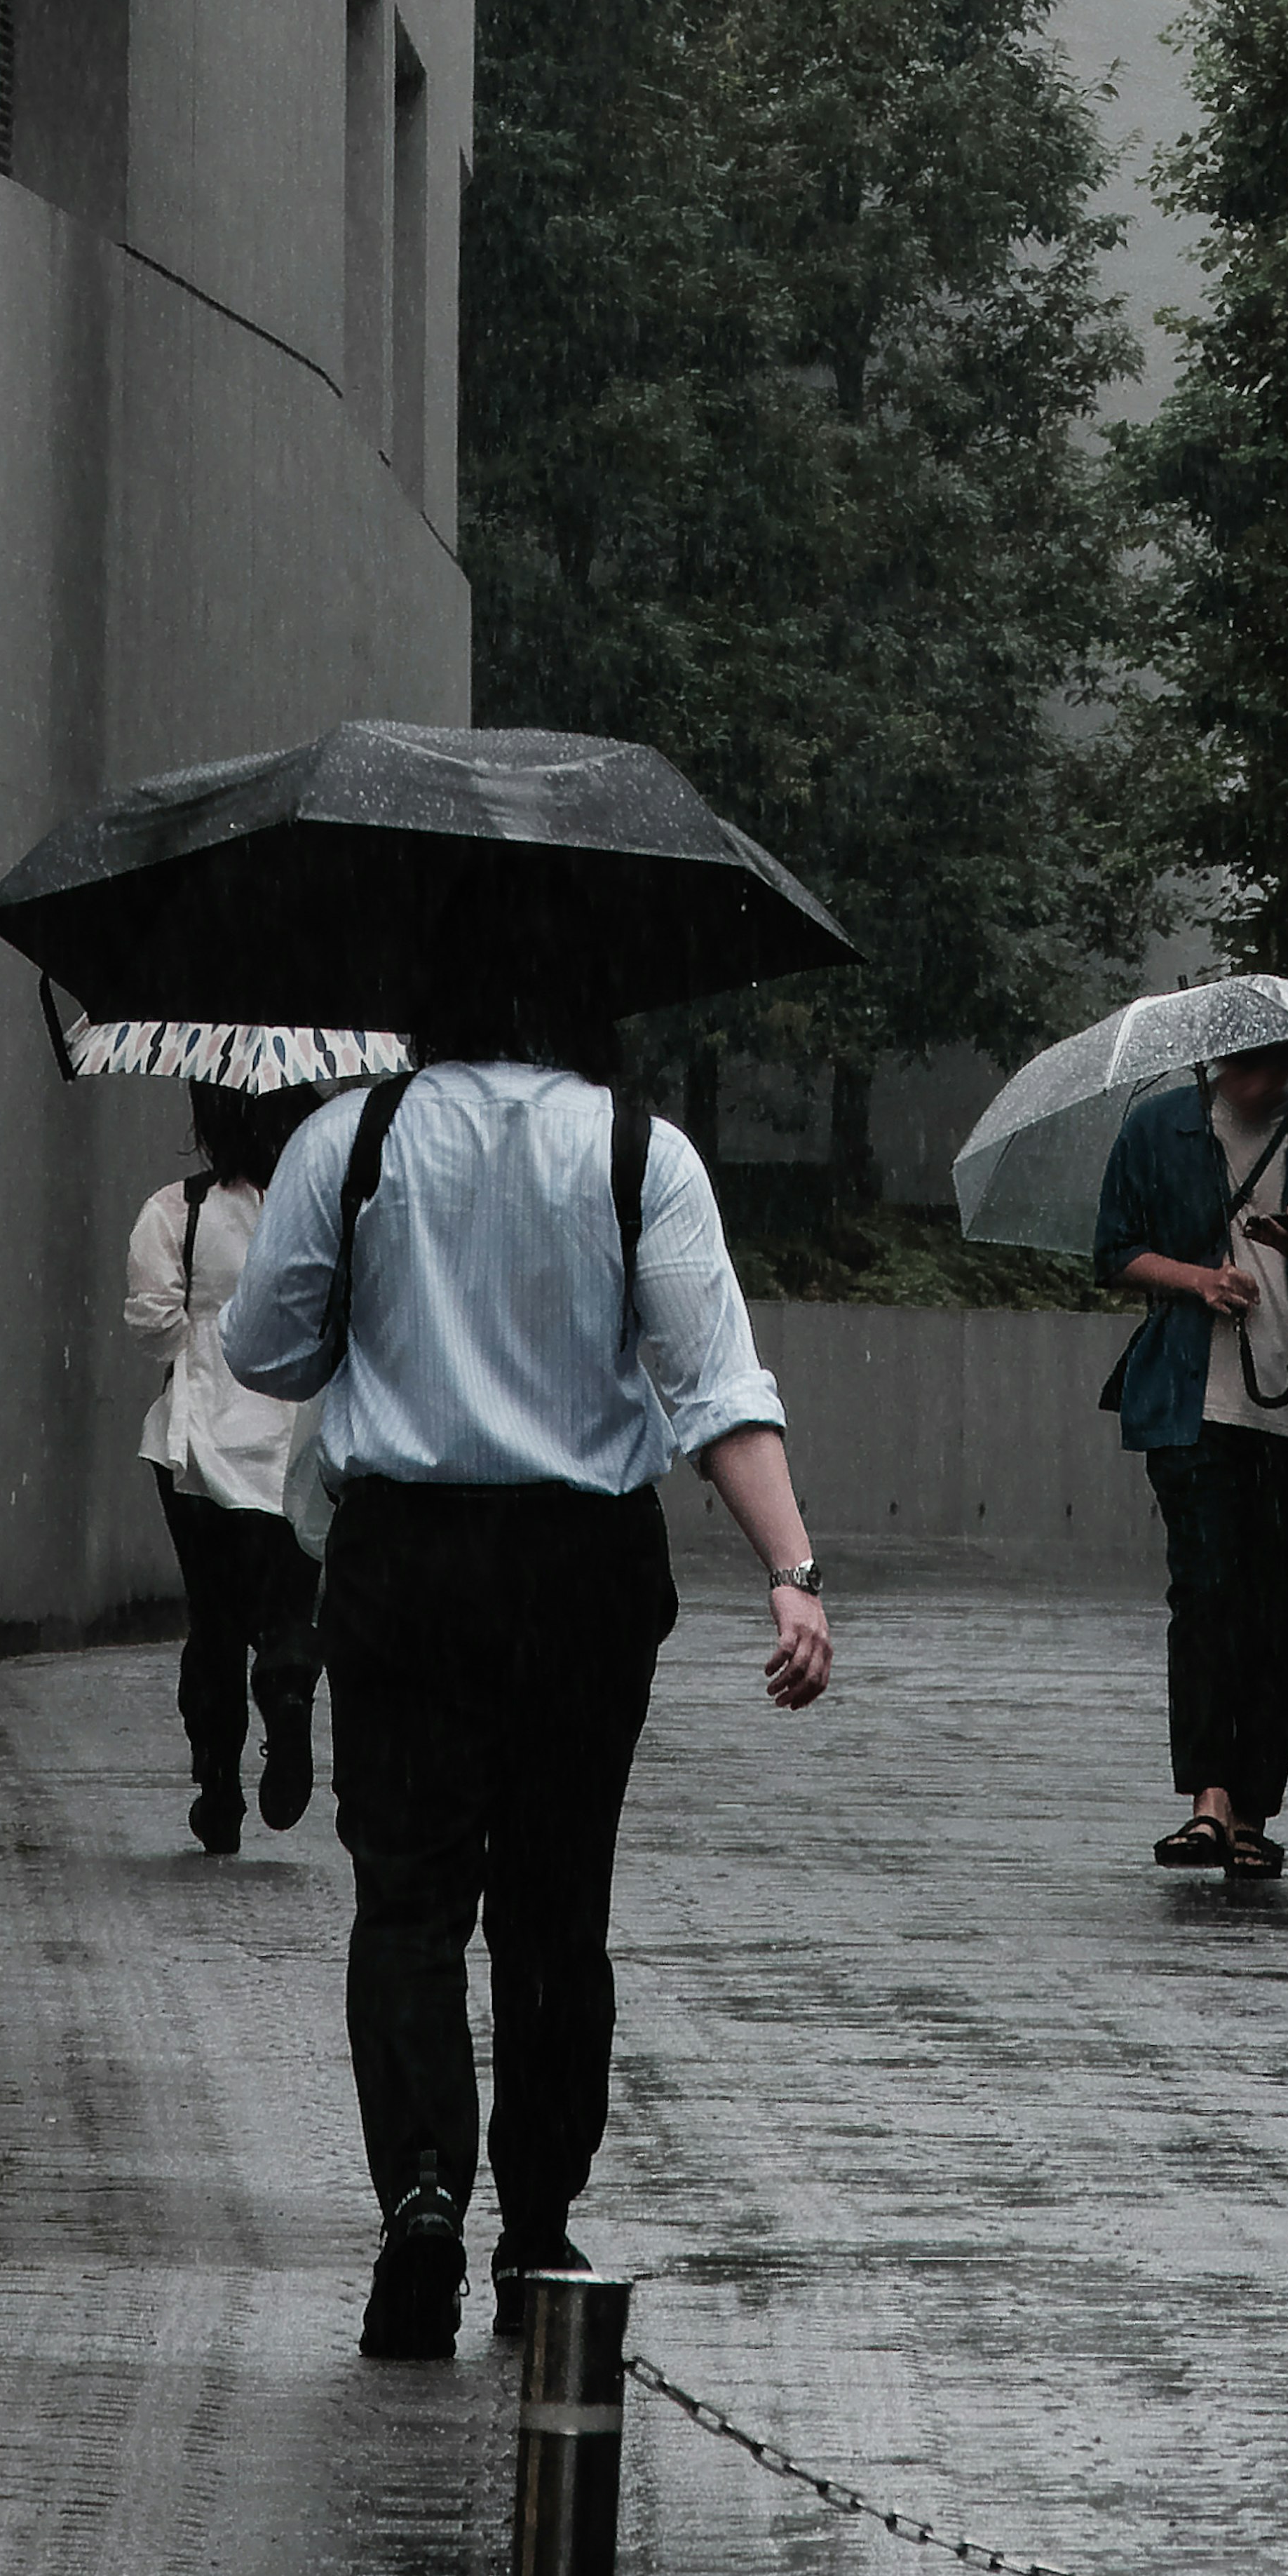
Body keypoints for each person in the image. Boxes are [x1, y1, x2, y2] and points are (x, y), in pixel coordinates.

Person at [222, 898, 827, 2361]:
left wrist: (384, 1309)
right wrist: (794, 1568)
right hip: (580, 1574)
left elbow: (262, 1346)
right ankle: (541, 2227)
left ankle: (422, 2187)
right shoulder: (642, 1151)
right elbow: (714, 1386)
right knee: (558, 1909)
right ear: (573, 1004)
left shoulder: (348, 1139)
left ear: (422, 1001)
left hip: (406, 1564)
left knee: (408, 1897)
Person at [1092, 1013, 1288, 1882]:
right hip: (1197, 1404)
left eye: (1274, 1066)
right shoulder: (1159, 1129)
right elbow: (1113, 1251)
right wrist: (1197, 1279)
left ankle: (1256, 1812)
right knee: (1208, 1594)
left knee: (1285, 1612)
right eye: (1242, 1065)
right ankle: (1209, 1805)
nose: (1253, 1083)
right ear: (1220, 1058)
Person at [126, 1080, 327, 1856]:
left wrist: (201, 1335)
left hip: (199, 1445)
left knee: (211, 1620)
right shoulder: (320, 1214)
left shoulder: (179, 1211)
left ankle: (219, 1782)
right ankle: (286, 1677)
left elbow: (153, 1323)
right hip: (296, 1436)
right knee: (289, 1598)